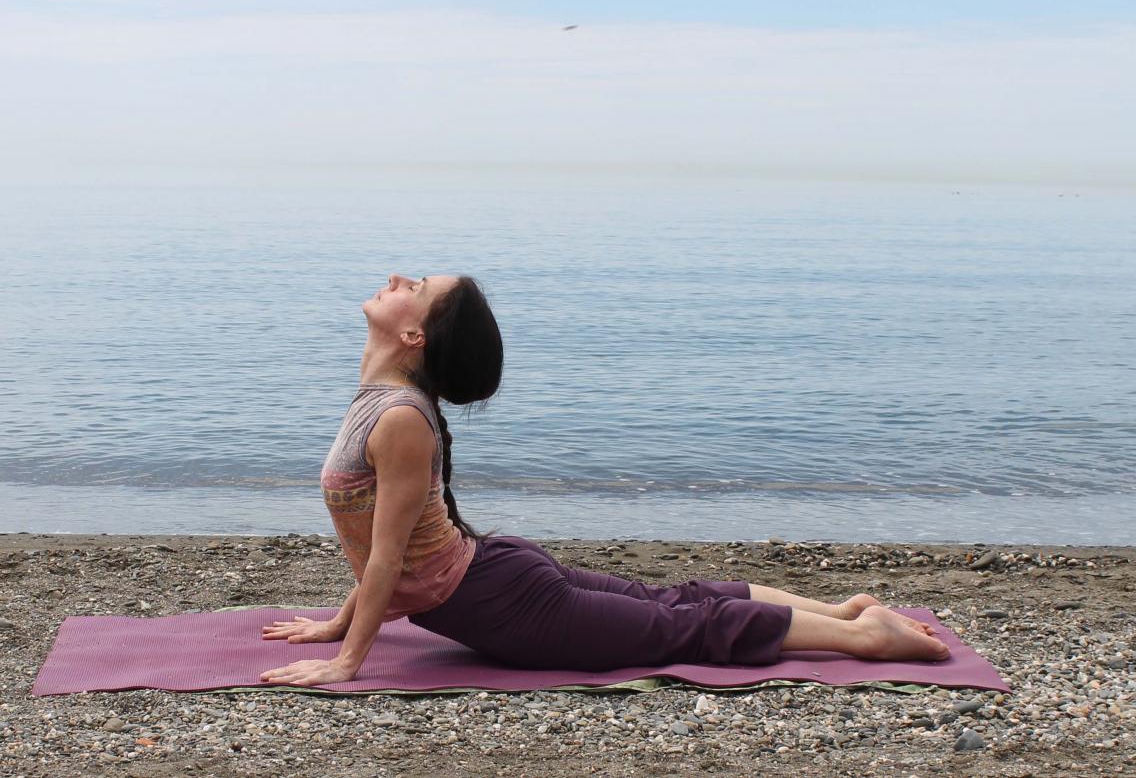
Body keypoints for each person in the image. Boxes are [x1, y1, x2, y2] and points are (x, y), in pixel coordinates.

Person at [259, 274, 950, 686]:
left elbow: (386, 555)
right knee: (672, 604)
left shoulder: (401, 418)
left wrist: (349, 657)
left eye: (416, 288)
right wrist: (337, 625)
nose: (398, 279)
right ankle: (838, 611)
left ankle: (864, 636)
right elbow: (381, 542)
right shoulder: (384, 403)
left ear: (415, 338)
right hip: (495, 575)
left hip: (503, 601)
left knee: (676, 627)